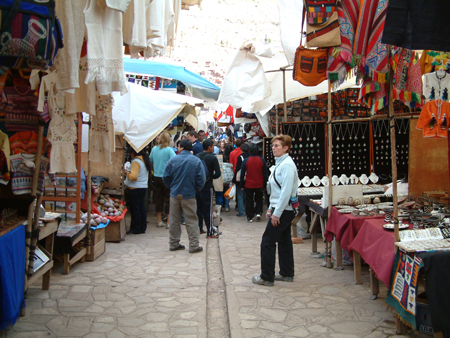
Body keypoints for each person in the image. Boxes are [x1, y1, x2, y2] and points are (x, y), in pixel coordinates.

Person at [252, 135, 298, 286]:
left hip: (284, 210)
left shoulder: (287, 166)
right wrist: (272, 208)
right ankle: (286, 272)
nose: (274, 148)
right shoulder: (281, 164)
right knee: (284, 241)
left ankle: (267, 277)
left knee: (268, 241)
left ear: (286, 148)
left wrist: (277, 213)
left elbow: (285, 193)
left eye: (277, 145)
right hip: (281, 208)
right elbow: (277, 191)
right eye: (273, 146)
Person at [162, 139, 205, 253]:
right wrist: (195, 189)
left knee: (174, 220)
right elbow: (202, 179)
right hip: (189, 195)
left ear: (181, 147)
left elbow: (165, 177)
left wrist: (172, 187)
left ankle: (174, 243)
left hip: (175, 195)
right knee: (191, 220)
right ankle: (194, 245)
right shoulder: (196, 161)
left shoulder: (173, 160)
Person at [150, 132, 176, 228]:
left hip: (156, 177)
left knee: (158, 198)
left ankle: (159, 220)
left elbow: (150, 160)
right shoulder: (169, 150)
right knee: (168, 199)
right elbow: (175, 161)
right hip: (167, 177)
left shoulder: (154, 149)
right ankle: (169, 222)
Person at [196, 138, 222, 238]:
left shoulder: (197, 157)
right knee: (208, 209)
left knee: (199, 208)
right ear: (209, 147)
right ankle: (210, 231)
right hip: (208, 186)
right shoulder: (212, 158)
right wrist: (211, 177)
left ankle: (199, 228)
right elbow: (218, 173)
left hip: (198, 187)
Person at [125, 148, 151, 234]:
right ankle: (142, 227)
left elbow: (133, 177)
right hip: (143, 187)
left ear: (133, 153)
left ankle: (136, 228)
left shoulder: (136, 162)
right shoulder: (144, 160)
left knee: (135, 208)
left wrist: (127, 173)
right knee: (141, 208)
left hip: (135, 188)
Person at [240, 144, 269, 222]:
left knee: (249, 200)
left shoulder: (246, 160)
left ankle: (249, 216)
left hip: (249, 184)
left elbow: (242, 173)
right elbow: (265, 173)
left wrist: (241, 184)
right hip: (259, 183)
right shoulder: (262, 160)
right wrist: (265, 184)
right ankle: (258, 212)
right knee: (259, 199)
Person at [233, 142, 250, 217]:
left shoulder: (240, 157)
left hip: (241, 179)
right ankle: (248, 211)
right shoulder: (250, 157)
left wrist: (234, 179)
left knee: (240, 195)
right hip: (250, 178)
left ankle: (241, 212)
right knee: (248, 196)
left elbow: (237, 168)